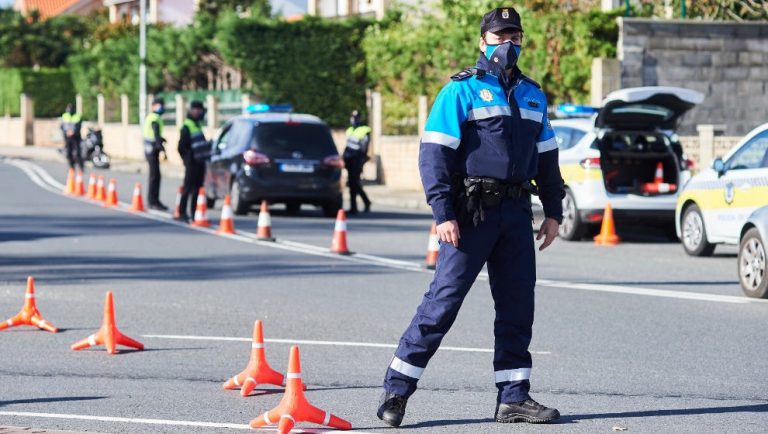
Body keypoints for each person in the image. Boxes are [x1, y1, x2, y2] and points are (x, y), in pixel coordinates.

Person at [377, 6, 564, 427]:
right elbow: (434, 156)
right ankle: (396, 392)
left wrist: (553, 211)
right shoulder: (460, 91)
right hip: (471, 212)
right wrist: (443, 212)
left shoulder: (533, 94)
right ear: (483, 42)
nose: (507, 43)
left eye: (514, 35)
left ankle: (514, 397)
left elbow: (548, 160)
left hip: (516, 213)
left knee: (518, 307)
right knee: (442, 303)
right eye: (499, 36)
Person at [176, 100, 210, 222]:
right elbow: (181, 147)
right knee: (188, 187)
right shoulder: (187, 126)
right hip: (192, 163)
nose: (201, 113)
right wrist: (187, 160)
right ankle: (182, 212)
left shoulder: (197, 125)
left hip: (200, 162)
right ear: (194, 111)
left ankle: (194, 212)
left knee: (197, 188)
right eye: (199, 111)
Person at [342, 110, 372, 214]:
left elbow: (364, 148)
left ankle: (357, 206)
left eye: (356, 117)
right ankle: (360, 204)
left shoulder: (364, 130)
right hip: (349, 160)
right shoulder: (349, 130)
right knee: (353, 183)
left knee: (353, 183)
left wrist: (361, 161)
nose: (354, 119)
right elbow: (347, 146)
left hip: (357, 161)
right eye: (352, 117)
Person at [143, 97, 168, 210]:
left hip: (151, 150)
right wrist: (162, 147)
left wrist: (161, 140)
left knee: (155, 176)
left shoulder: (152, 117)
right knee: (155, 176)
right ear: (153, 106)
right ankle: (153, 201)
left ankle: (153, 200)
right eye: (159, 105)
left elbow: (155, 134)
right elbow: (155, 133)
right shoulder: (154, 118)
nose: (161, 107)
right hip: (152, 150)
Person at [61, 103, 83, 171]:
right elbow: (62, 126)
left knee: (78, 152)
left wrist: (74, 132)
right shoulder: (64, 116)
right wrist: (66, 132)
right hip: (68, 137)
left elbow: (79, 126)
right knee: (68, 152)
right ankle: (71, 166)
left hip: (76, 137)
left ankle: (80, 166)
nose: (69, 110)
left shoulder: (77, 116)